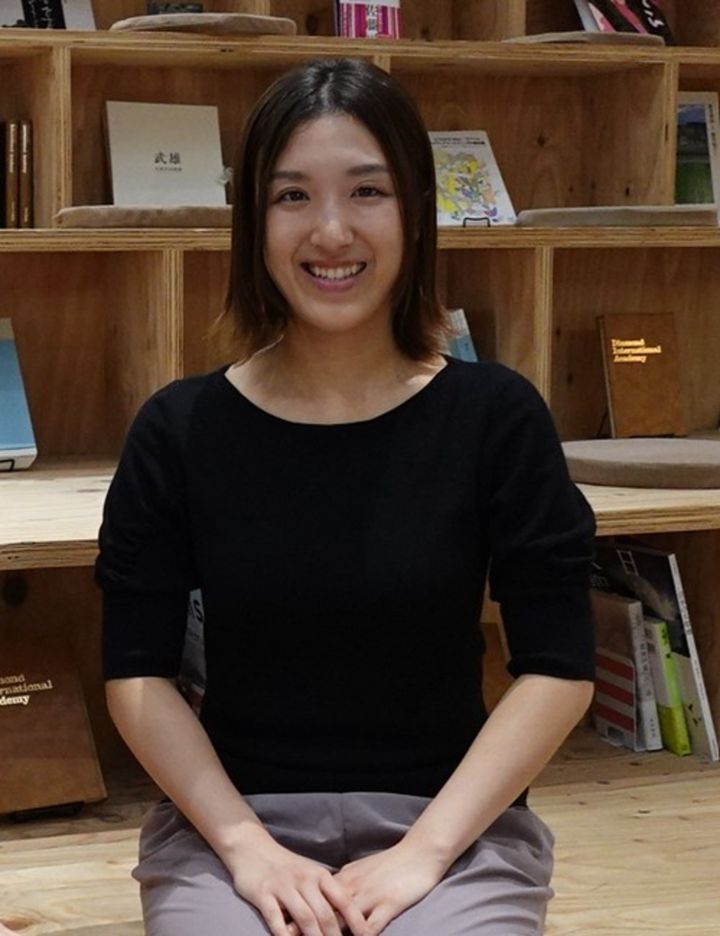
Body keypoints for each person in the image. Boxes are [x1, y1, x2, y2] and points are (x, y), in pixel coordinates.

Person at [96, 57, 596, 936]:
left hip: (450, 827)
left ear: (415, 211)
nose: (331, 231)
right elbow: (137, 675)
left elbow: (557, 668)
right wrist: (246, 847)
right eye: (292, 196)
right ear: (253, 222)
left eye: (368, 191)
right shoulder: (180, 428)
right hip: (236, 829)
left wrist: (425, 853)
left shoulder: (496, 416)